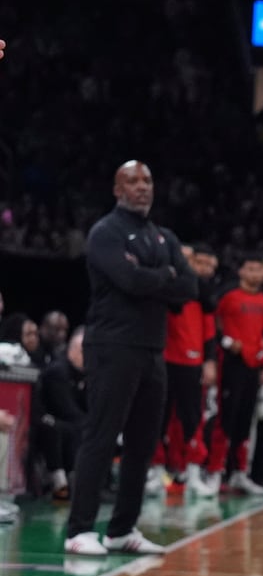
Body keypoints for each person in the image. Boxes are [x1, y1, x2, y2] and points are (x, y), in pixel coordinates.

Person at [65, 161, 198, 556]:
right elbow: (127, 280)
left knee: (143, 444)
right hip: (112, 346)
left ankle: (122, 529)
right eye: (133, 181)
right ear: (117, 188)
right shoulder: (106, 232)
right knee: (101, 436)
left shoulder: (162, 236)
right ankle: (79, 530)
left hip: (152, 350)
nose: (142, 187)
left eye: (148, 181)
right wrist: (164, 277)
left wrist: (153, 277)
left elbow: (189, 287)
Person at [155, 243, 220, 498]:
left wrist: (209, 360)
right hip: (163, 359)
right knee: (157, 417)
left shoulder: (202, 295)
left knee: (193, 418)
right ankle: (156, 470)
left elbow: (210, 332)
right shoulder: (159, 287)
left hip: (191, 362)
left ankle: (193, 472)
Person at [213, 251, 263, 496]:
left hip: (254, 366)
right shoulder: (228, 297)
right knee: (225, 418)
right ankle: (216, 472)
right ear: (241, 272)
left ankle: (240, 473)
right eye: (249, 269)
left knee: (247, 421)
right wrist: (228, 343)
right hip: (231, 364)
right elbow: (215, 326)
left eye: (258, 270)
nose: (254, 274)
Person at [35, 327, 88, 500]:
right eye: (83, 351)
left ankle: (88, 481)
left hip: (67, 420)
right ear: (72, 350)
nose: (87, 357)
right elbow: (66, 409)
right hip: (46, 418)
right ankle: (62, 482)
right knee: (69, 429)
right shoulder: (58, 371)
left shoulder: (84, 373)